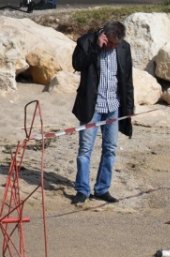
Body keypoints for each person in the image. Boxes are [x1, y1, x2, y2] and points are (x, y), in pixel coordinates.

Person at [71, 20, 134, 205]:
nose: (115, 47)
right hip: (92, 106)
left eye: (117, 44)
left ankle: (102, 189)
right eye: (112, 44)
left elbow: (127, 79)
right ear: (105, 36)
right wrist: (96, 49)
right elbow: (77, 64)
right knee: (85, 150)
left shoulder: (123, 48)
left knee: (110, 149)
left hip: (113, 106)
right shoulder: (86, 42)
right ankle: (82, 190)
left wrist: (129, 108)